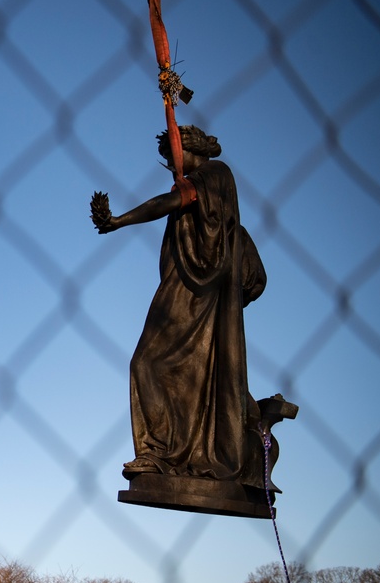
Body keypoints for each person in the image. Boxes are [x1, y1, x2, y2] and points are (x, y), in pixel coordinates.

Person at [93, 126, 266, 482]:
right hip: (183, 288)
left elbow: (173, 201)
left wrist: (120, 221)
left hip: (197, 296)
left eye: (173, 158)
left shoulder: (215, 175)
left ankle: (158, 452)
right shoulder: (199, 183)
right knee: (170, 371)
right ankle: (170, 453)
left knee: (146, 363)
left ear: (188, 148)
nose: (172, 167)